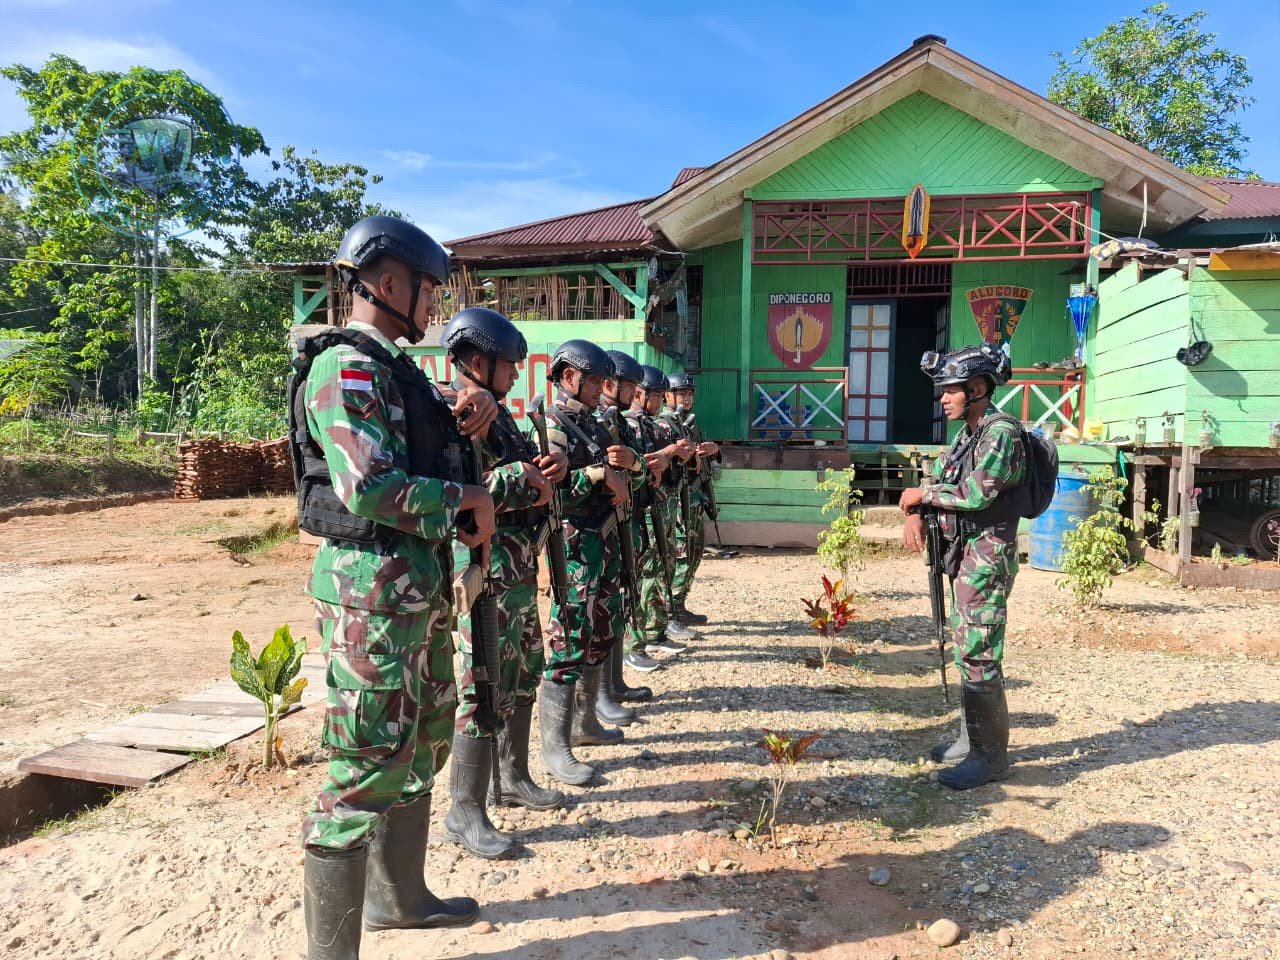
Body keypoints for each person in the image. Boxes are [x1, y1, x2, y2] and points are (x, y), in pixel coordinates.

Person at [291, 216, 499, 959]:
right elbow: (367, 484)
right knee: (361, 768)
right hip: (370, 595)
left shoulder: (394, 371)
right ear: (386, 283)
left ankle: (399, 900)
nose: (435, 307)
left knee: (421, 741)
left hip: (414, 590)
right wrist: (462, 502)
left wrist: (464, 428)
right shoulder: (345, 367)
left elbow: (413, 444)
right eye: (428, 290)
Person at [439, 307, 568, 861]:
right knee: (479, 687)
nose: (516, 374)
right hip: (480, 575)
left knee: (521, 673)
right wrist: (523, 478)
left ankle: (513, 776)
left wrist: (547, 469)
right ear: (474, 361)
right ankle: (465, 809)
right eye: (507, 365)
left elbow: (514, 472)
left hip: (515, 574)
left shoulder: (503, 416)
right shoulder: (452, 411)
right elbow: (456, 490)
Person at [899, 343, 1024, 791]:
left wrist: (922, 498)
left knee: (980, 650)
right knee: (967, 646)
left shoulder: (1000, 433)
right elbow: (942, 476)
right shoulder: (968, 433)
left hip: (987, 558)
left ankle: (990, 759)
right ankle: (972, 740)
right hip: (967, 555)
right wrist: (918, 506)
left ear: (976, 389)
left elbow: (975, 493)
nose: (943, 399)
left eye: (949, 392)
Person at [539, 339, 647, 786]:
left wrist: (631, 463)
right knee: (567, 639)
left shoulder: (598, 425)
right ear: (569, 377)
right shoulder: (552, 425)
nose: (604, 388)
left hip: (602, 543)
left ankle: (586, 724)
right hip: (573, 547)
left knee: (599, 628)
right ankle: (556, 746)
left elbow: (629, 473)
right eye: (597, 380)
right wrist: (598, 475)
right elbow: (548, 489)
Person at [624, 364, 698, 673]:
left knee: (661, 567)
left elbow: (664, 459)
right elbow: (650, 461)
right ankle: (634, 643)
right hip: (641, 510)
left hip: (659, 502)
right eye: (655, 395)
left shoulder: (651, 424)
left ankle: (654, 631)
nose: (658, 401)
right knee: (645, 574)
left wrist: (680, 453)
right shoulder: (629, 424)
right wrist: (671, 452)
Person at [660, 372, 720, 626]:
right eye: (682, 393)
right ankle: (668, 612)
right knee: (680, 555)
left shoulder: (688, 423)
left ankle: (679, 605)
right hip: (677, 500)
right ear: (668, 395)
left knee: (693, 555)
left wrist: (714, 450)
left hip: (694, 497)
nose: (687, 398)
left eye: (690, 394)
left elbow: (701, 454)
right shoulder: (664, 423)